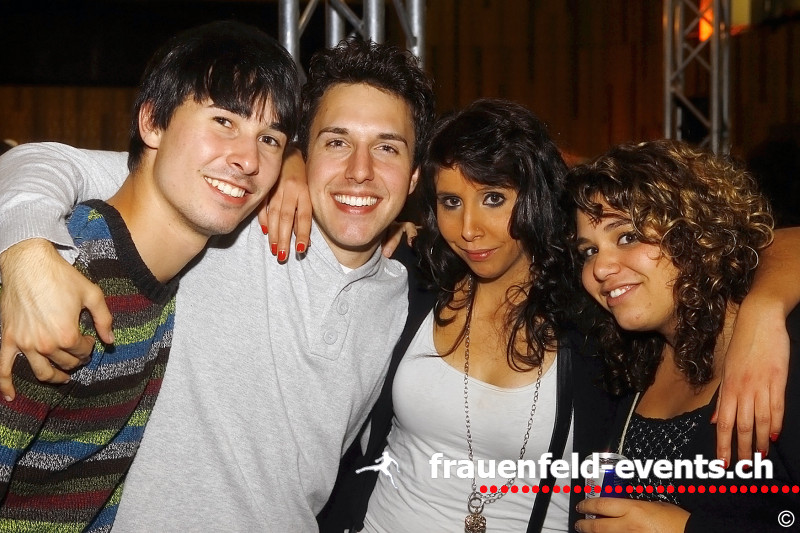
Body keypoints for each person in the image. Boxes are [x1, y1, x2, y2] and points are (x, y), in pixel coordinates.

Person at [0, 38, 435, 531]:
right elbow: (43, 162)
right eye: (336, 142)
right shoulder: (224, 214)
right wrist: (26, 250)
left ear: (414, 177)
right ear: (305, 153)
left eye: (387, 148)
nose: (360, 171)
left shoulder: (401, 294)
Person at [319, 100, 800, 533]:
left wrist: (763, 310)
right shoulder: (414, 278)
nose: (468, 228)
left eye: (494, 198)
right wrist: (295, 169)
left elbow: (779, 241)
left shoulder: (597, 323)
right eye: (450, 202)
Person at [0, 20, 299, 531]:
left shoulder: (160, 279)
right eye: (223, 121)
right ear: (152, 123)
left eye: (269, 138)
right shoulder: (65, 281)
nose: (248, 160)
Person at [567, 139, 800, 531]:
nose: (600, 268)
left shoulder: (779, 356)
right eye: (588, 251)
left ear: (695, 233)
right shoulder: (629, 363)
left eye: (626, 236)